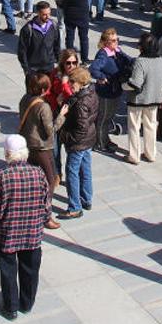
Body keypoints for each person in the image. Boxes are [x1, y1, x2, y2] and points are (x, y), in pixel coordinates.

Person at [0, 134, 50, 320]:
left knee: (8, 271)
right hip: (32, 234)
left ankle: (11, 308)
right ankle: (27, 304)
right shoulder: (39, 173)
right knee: (31, 270)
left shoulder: (2, 176)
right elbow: (46, 205)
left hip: (8, 235)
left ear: (7, 154)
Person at [17, 73, 66, 229]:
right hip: (42, 148)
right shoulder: (43, 106)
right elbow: (50, 130)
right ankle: (45, 216)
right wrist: (61, 116)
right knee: (50, 180)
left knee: (31, 179)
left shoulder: (25, 99)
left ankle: (27, 210)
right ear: (44, 89)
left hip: (27, 144)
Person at [60, 67, 98, 219]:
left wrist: (66, 137)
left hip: (78, 142)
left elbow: (80, 128)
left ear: (81, 82)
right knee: (85, 169)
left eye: (72, 82)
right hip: (89, 139)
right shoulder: (91, 93)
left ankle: (75, 206)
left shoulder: (81, 102)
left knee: (72, 172)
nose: (70, 85)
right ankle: (86, 199)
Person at [125, 32, 162, 165]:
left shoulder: (140, 61)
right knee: (151, 126)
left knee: (134, 127)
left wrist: (122, 86)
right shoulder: (160, 60)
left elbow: (135, 83)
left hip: (137, 100)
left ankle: (134, 156)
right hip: (154, 99)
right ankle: (150, 154)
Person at [17, 1, 61, 75]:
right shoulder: (28, 29)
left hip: (49, 67)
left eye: (49, 14)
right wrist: (26, 69)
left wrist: (59, 62)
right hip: (34, 69)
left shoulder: (53, 26)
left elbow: (56, 45)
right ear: (38, 13)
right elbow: (22, 51)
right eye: (44, 14)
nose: (48, 17)